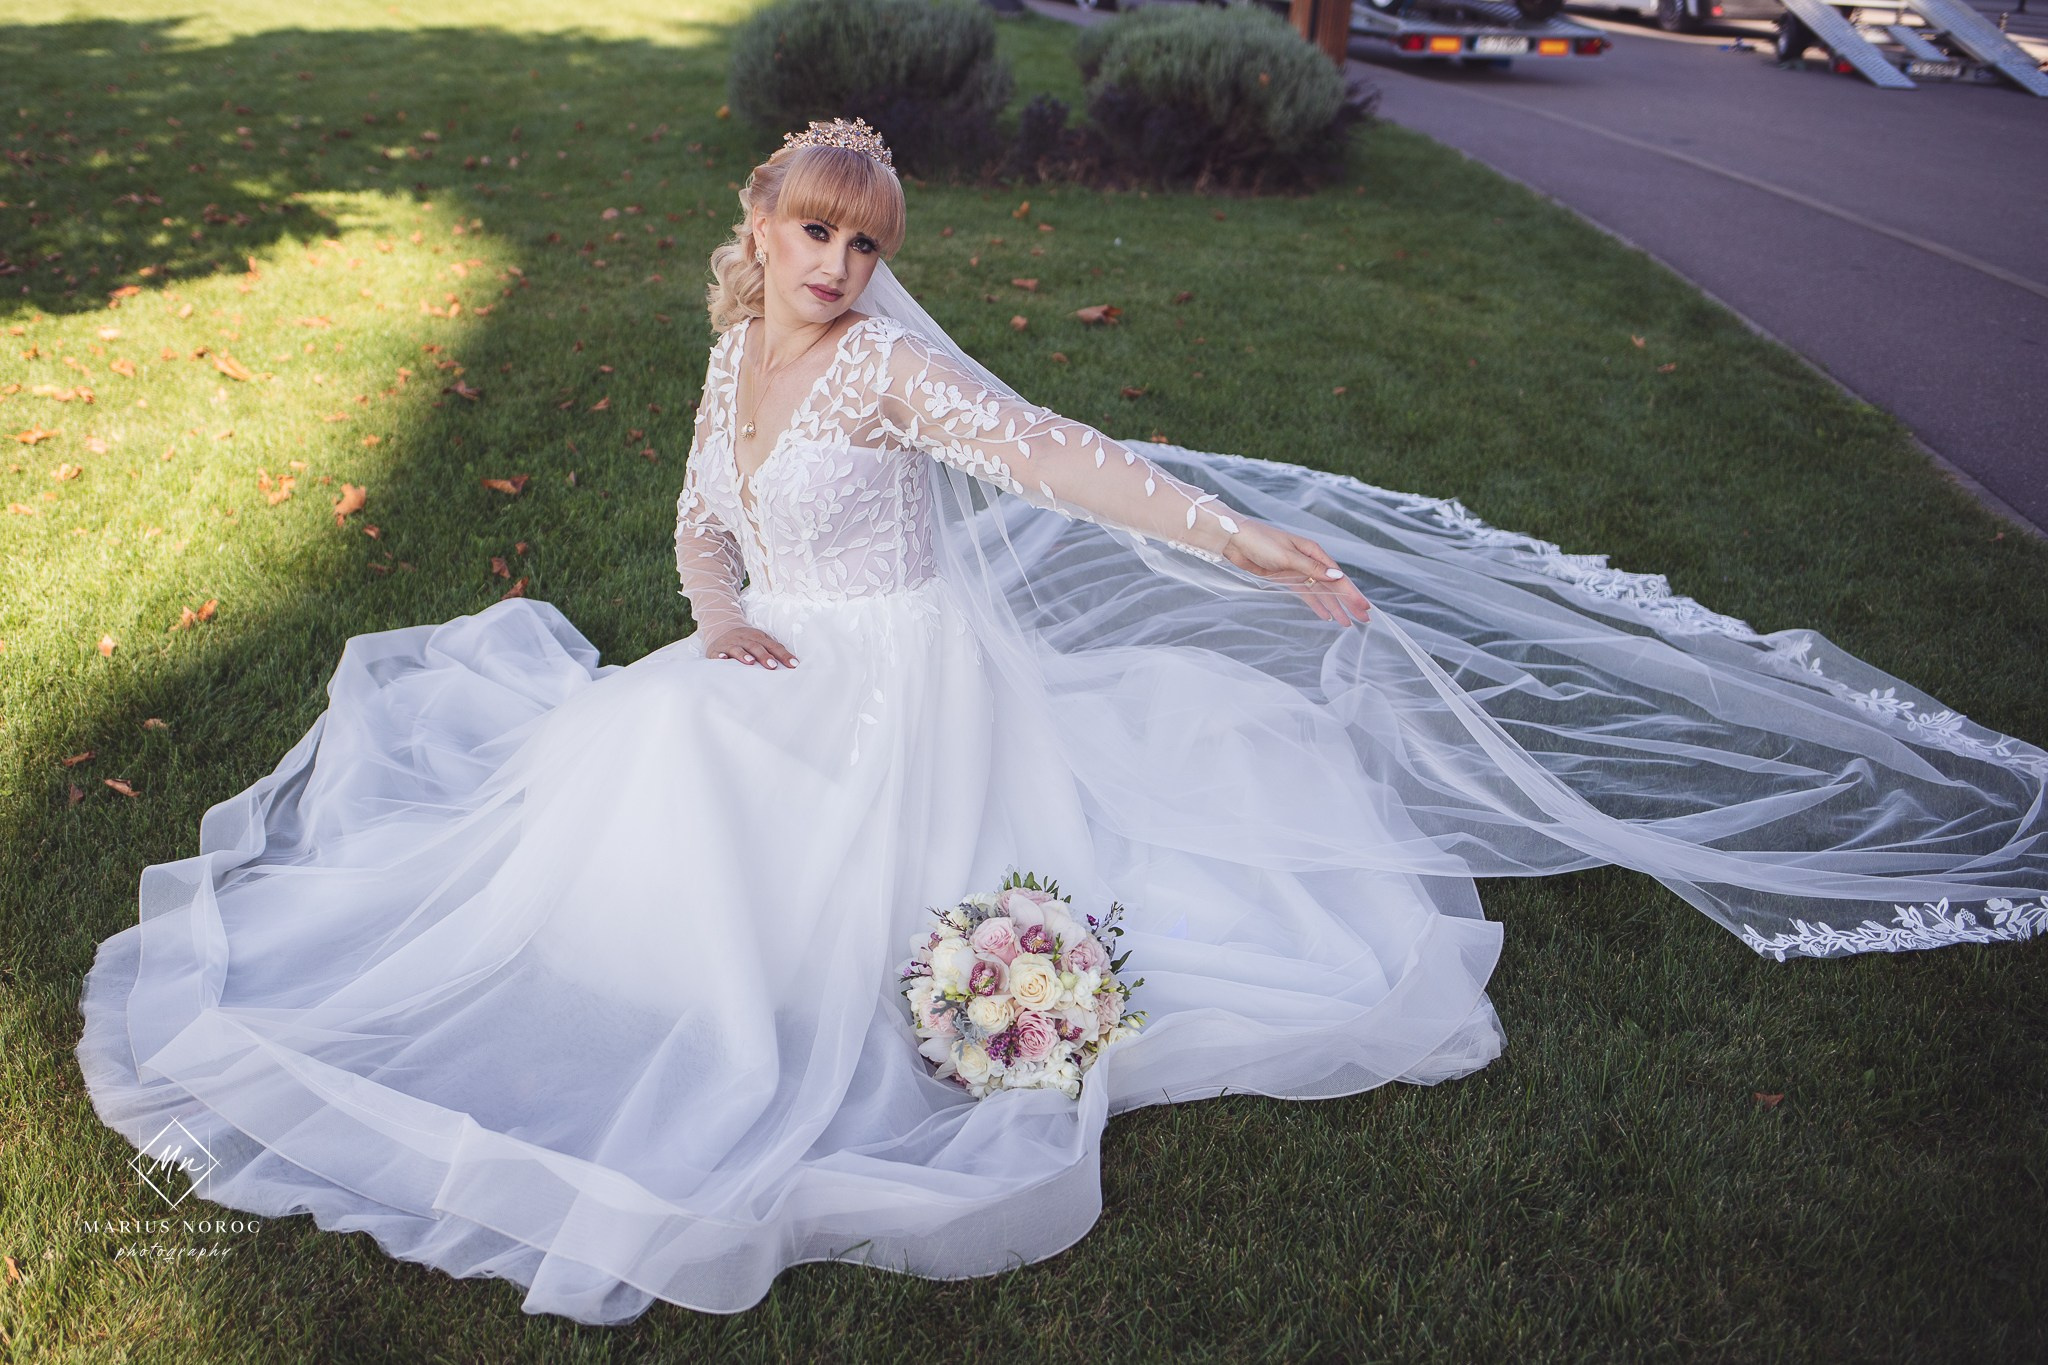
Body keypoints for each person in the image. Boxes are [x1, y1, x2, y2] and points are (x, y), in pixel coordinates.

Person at [76, 118, 2046, 1326]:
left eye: (869, 245)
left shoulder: (886, 378)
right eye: (814, 233)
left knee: (839, 909)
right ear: (755, 226)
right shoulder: (733, 342)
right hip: (777, 656)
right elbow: (697, 508)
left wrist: (1252, 541)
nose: (840, 269)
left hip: (917, 683)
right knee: (638, 780)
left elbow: (1067, 458)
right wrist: (715, 615)